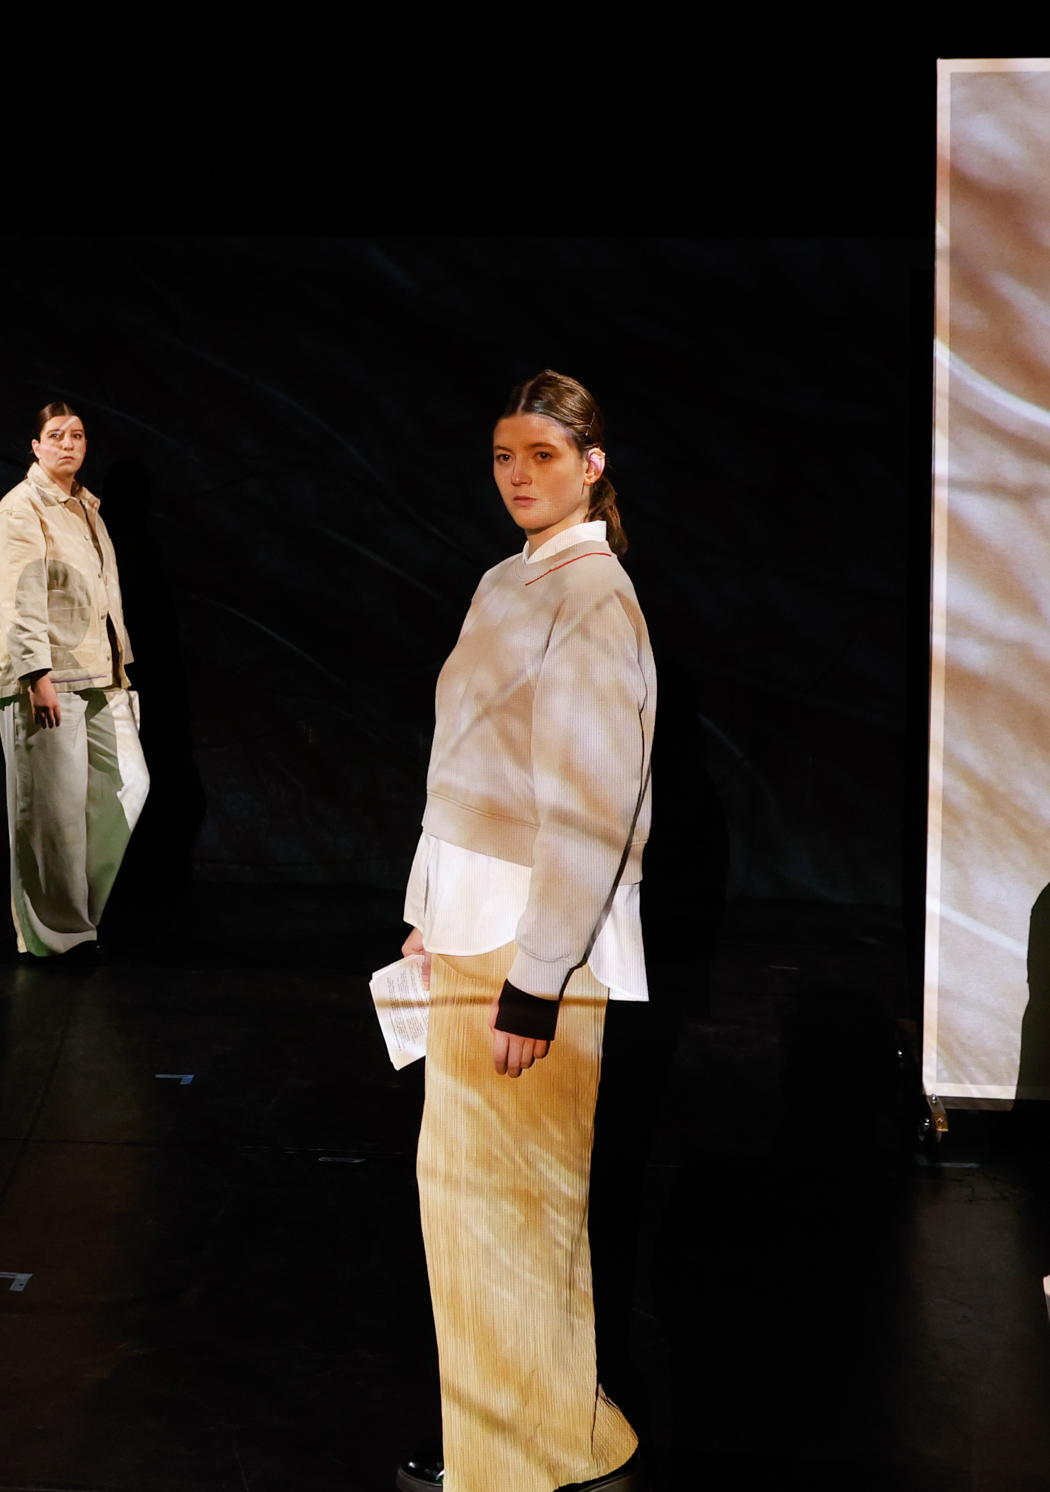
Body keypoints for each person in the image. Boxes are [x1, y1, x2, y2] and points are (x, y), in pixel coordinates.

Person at [396, 370, 653, 1492]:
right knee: (480, 1203)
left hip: (524, 942)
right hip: (472, 927)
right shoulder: (509, 579)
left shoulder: (591, 597)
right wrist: (423, 912)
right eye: (505, 454)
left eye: (542, 455)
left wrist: (538, 978)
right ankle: (552, 1433)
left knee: (504, 1207)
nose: (518, 473)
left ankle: (512, 1459)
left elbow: (594, 806)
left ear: (591, 465)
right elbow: (459, 765)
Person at [0, 402, 149, 957]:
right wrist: (35, 673)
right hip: (46, 675)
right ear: (36, 446)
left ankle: (76, 913)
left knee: (129, 784)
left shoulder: (87, 508)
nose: (68, 444)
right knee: (49, 813)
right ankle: (55, 939)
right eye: (56, 435)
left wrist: (120, 664)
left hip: (98, 670)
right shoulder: (21, 510)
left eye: (76, 435)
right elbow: (18, 597)